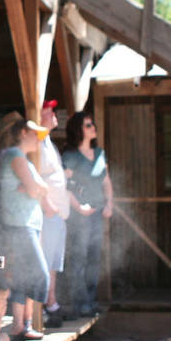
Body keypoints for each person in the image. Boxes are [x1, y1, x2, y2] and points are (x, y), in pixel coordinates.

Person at [0, 114, 53, 341]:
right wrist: (35, 187)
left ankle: (22, 325)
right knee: (40, 274)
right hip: (20, 224)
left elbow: (41, 188)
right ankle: (24, 322)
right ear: (23, 133)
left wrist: (35, 187)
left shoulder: (24, 159)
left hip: (28, 222)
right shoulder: (14, 155)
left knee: (25, 275)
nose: (39, 139)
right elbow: (35, 190)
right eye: (35, 134)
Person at [61, 111, 115, 317]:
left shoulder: (100, 153)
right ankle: (80, 303)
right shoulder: (71, 156)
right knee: (79, 258)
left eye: (92, 124)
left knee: (94, 258)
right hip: (79, 215)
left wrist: (109, 203)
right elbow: (64, 187)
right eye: (88, 125)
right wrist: (79, 208)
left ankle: (91, 301)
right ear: (78, 130)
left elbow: (106, 181)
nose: (93, 127)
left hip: (98, 212)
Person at [38, 100, 69, 326]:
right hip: (47, 212)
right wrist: (47, 204)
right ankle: (46, 306)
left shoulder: (48, 141)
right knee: (45, 260)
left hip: (57, 212)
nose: (54, 114)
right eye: (49, 111)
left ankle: (52, 301)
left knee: (54, 262)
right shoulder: (38, 143)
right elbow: (36, 177)